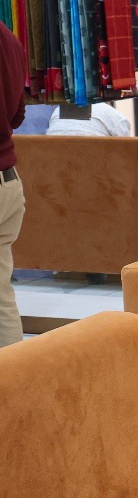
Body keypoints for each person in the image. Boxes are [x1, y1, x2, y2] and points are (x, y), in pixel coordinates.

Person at [0, 22, 26, 348]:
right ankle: (14, 374)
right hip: (8, 179)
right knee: (2, 296)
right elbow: (17, 114)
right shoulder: (8, 36)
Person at [45, 102, 131, 137]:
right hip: (94, 164)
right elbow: (125, 146)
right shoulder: (108, 111)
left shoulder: (58, 111)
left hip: (55, 164)